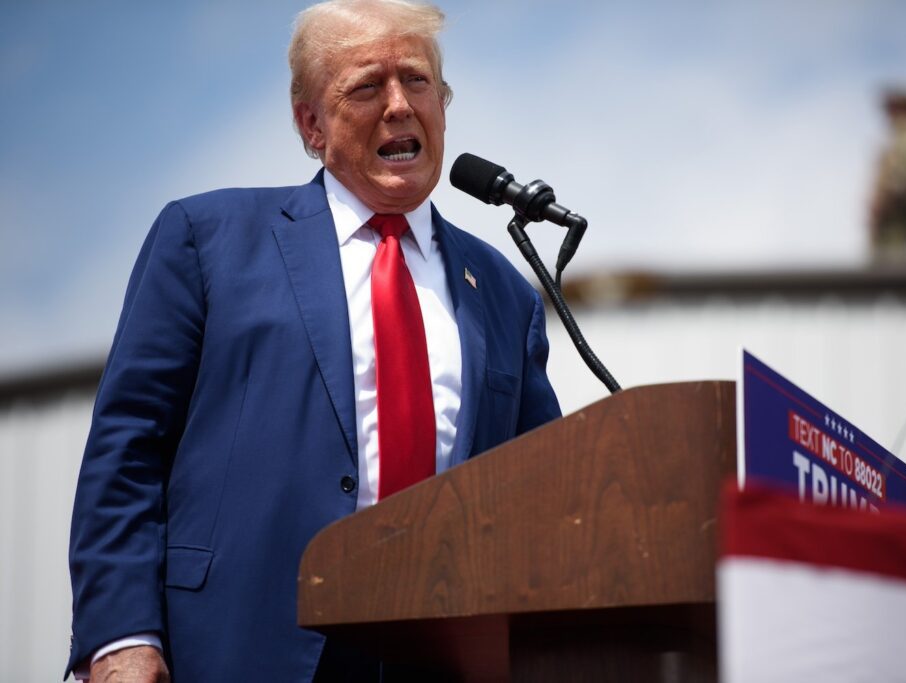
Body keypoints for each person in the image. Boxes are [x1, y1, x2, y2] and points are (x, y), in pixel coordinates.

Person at [65, 1, 561, 680]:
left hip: (441, 656)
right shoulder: (207, 239)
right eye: (366, 86)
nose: (398, 106)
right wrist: (121, 634)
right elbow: (128, 446)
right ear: (311, 124)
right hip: (243, 643)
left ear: (443, 104)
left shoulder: (505, 293)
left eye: (417, 81)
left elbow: (540, 492)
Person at [868, 88, 906, 264]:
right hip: (888, 219)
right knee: (882, 267)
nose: (889, 115)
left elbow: (903, 181)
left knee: (897, 264)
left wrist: (884, 204)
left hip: (897, 216)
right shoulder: (898, 139)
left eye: (894, 108)